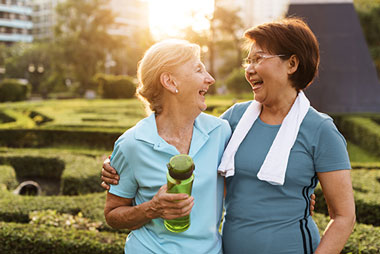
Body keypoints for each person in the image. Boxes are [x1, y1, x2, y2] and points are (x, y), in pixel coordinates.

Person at [101, 17, 344, 254]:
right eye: (248, 60)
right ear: (169, 81)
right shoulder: (232, 121)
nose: (248, 70)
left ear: (292, 64)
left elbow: (342, 214)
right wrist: (115, 167)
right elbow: (175, 137)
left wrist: (295, 199)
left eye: (258, 59)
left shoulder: (318, 129)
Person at [103, 39, 231, 254]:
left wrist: (300, 193)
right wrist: (152, 208)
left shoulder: (221, 132)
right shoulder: (131, 144)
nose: (210, 79)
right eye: (198, 69)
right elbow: (113, 215)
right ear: (170, 82)